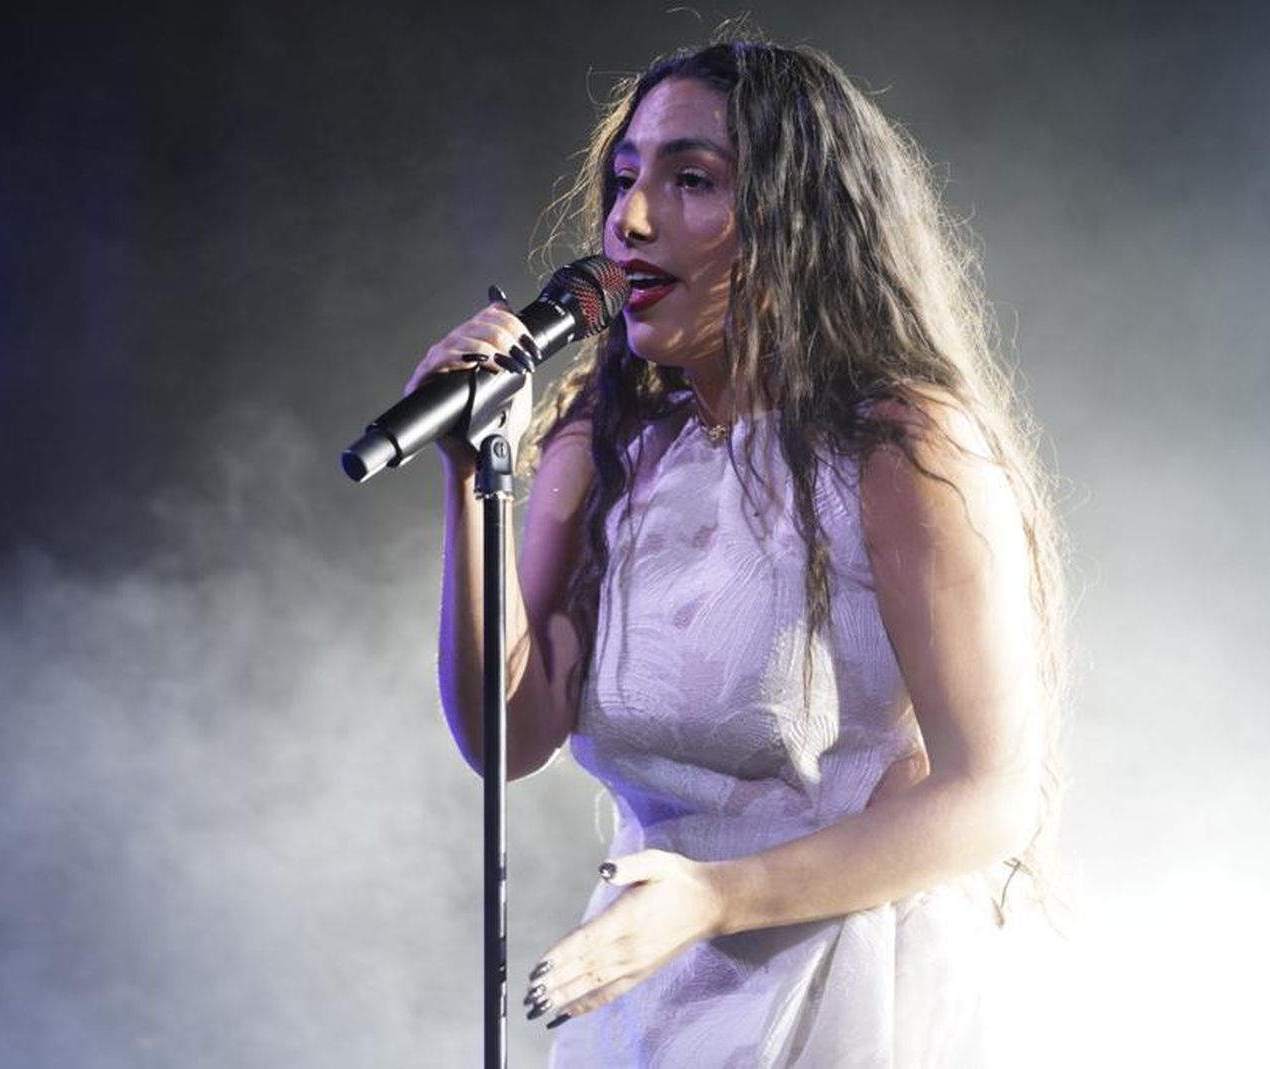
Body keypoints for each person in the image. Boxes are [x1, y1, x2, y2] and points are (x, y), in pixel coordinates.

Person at [405, 35, 1069, 1068]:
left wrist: (717, 898)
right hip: (650, 981)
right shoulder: (600, 443)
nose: (630, 222)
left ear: (796, 222)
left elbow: (991, 795)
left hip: (856, 976)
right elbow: (508, 736)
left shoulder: (899, 447)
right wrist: (468, 475)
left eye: (690, 181)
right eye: (625, 180)